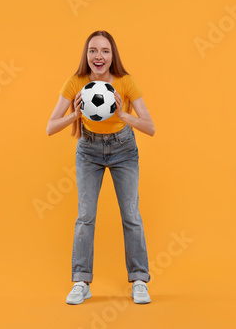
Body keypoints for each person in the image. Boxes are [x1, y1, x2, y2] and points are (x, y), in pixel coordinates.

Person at [46, 30, 155, 305]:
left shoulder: (126, 82)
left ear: (112, 55)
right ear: (86, 54)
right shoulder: (76, 83)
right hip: (89, 151)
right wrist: (75, 113)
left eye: (105, 51)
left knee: (131, 214)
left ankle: (139, 280)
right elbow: (49, 127)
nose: (99, 56)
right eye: (93, 50)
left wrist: (120, 114)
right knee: (85, 216)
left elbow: (150, 128)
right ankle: (81, 282)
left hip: (124, 150)